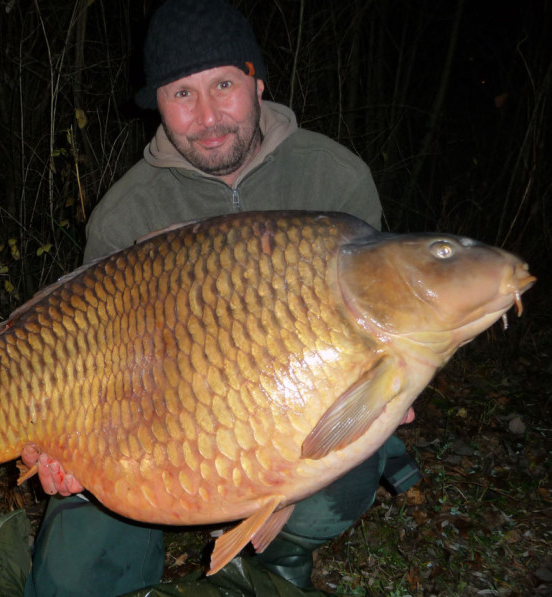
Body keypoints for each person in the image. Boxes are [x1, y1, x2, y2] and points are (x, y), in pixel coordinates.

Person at [23, 1, 421, 595]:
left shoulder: (332, 177)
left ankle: (278, 558)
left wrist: (390, 381)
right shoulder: (125, 214)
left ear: (258, 82)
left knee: (352, 454)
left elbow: (381, 318)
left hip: (288, 414)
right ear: (156, 103)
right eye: (181, 94)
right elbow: (90, 362)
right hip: (154, 427)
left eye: (224, 86)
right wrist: (66, 450)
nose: (207, 116)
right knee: (72, 578)